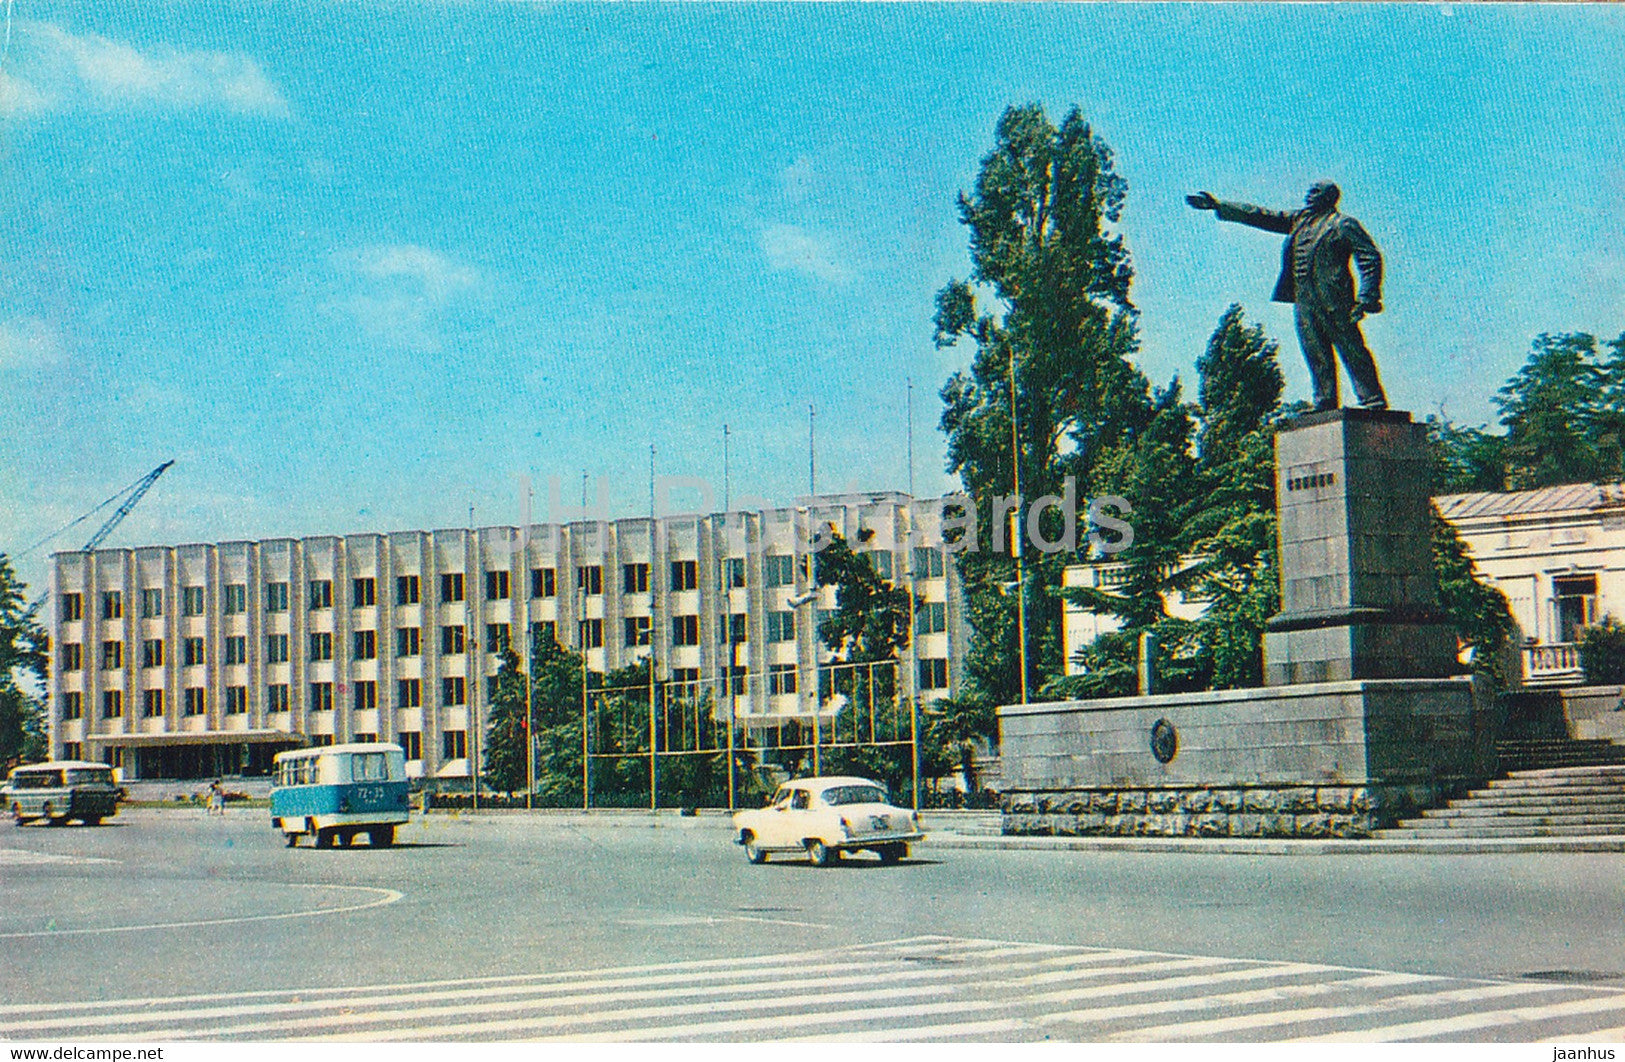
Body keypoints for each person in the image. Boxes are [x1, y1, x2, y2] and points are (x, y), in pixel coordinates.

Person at [1187, 181, 1387, 412]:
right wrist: (1219, 206)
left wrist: (1367, 296)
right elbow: (1262, 215)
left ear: (1329, 197)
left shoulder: (1343, 224)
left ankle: (1372, 399)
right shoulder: (1299, 220)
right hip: (1304, 299)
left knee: (1352, 349)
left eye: (1315, 192)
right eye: (1309, 191)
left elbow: (1369, 257)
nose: (1308, 195)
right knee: (1315, 351)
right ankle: (1325, 400)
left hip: (1335, 299)